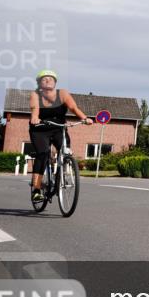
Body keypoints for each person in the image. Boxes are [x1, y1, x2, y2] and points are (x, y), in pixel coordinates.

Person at [29, 70, 92, 203]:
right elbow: (35, 109)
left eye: (50, 78)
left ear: (55, 82)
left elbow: (74, 108)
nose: (47, 80)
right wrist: (35, 118)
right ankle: (36, 189)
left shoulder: (62, 93)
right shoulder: (36, 94)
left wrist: (84, 118)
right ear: (39, 83)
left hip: (58, 128)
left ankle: (63, 171)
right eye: (44, 79)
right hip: (40, 129)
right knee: (43, 153)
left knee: (65, 150)